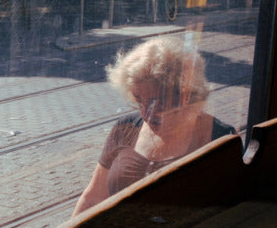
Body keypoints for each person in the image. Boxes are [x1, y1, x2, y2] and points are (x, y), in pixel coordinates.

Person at [73, 36, 236, 216]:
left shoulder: (219, 137)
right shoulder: (125, 128)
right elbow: (93, 198)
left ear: (186, 95)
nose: (148, 114)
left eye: (159, 101)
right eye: (139, 100)